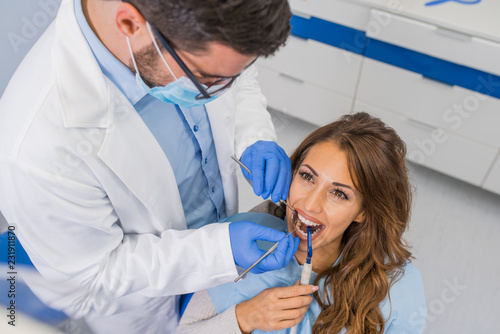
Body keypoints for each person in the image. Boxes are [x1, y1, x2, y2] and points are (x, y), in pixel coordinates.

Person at [0, 0, 299, 333]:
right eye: (205, 81)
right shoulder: (36, 146)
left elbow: (231, 71)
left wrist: (253, 134)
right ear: (130, 23)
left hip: (220, 263)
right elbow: (91, 283)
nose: (220, 89)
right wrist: (218, 251)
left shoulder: (196, 38)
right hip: (146, 309)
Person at [177, 112, 427, 334]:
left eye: (339, 193)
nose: (309, 205)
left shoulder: (398, 289)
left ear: (364, 211)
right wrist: (246, 317)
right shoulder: (239, 242)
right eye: (307, 176)